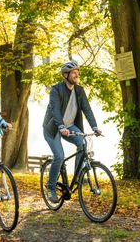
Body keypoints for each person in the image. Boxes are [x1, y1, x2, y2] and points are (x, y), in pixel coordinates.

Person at [42, 61, 102, 203]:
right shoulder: (56, 89)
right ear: (66, 75)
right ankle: (50, 188)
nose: (77, 75)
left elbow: (87, 109)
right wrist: (61, 127)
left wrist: (94, 127)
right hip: (53, 128)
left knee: (83, 143)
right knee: (59, 156)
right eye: (74, 72)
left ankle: (78, 175)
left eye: (77, 72)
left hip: (70, 126)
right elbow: (55, 110)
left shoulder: (79, 90)